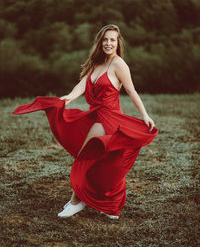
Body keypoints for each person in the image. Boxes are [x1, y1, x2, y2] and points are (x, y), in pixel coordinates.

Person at [13, 24, 158, 220]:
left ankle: (76, 202)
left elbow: (132, 91)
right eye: (105, 39)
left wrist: (145, 115)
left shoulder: (119, 65)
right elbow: (83, 84)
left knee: (85, 157)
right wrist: (69, 98)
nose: (108, 43)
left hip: (109, 118)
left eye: (112, 40)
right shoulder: (97, 64)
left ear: (118, 43)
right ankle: (109, 205)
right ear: (100, 42)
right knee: (105, 163)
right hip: (95, 115)